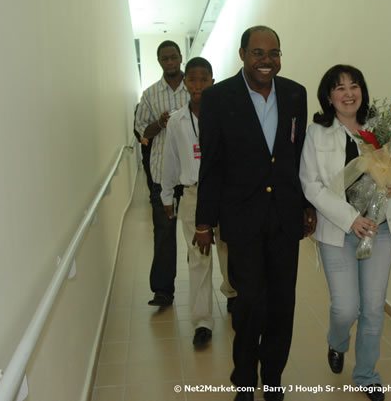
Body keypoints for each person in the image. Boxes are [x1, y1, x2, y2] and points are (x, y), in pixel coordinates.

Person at [194, 26, 316, 401]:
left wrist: (307, 205)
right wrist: (204, 221)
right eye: (259, 53)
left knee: (282, 302)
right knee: (249, 303)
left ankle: (273, 377)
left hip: (284, 218)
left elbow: (299, 158)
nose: (267, 61)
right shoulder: (217, 98)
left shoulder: (296, 94)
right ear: (243, 53)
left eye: (274, 53)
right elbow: (211, 163)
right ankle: (245, 378)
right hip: (241, 218)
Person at [299, 65, 391, 401]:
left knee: (374, 307)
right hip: (338, 231)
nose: (348, 93)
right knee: (346, 308)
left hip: (381, 229)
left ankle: (366, 375)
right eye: (339, 88)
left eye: (354, 86)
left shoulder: (380, 128)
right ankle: (337, 341)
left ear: (362, 90)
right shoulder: (317, 133)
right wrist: (350, 219)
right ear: (329, 96)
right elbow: (311, 185)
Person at [160, 57, 237, 348]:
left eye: (203, 79)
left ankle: (231, 293)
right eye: (192, 80)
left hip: (225, 195)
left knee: (229, 251)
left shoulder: (226, 116)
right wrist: (167, 195)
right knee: (198, 259)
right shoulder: (178, 121)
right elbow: (171, 160)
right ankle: (202, 321)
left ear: (213, 82)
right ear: (184, 84)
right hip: (192, 194)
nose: (197, 85)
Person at [135, 40, 190, 307]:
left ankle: (212, 290)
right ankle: (163, 291)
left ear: (181, 58)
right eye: (164, 59)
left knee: (198, 236)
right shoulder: (150, 95)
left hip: (192, 177)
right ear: (159, 61)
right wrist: (160, 123)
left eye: (173, 57)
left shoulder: (194, 88)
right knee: (164, 235)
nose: (169, 62)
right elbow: (142, 132)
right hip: (161, 176)